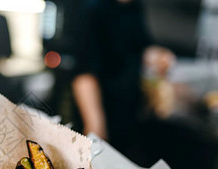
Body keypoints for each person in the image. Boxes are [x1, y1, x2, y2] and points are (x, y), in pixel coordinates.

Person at [71, 0, 175, 157]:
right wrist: (95, 126)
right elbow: (84, 75)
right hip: (101, 114)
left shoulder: (134, 6)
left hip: (128, 116)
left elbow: (140, 47)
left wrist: (159, 56)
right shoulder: (93, 8)